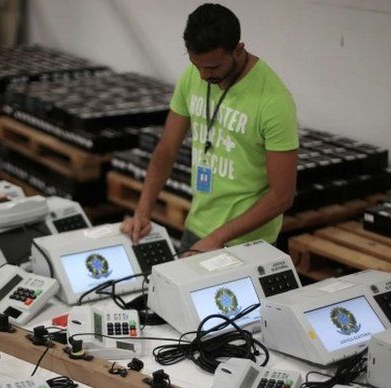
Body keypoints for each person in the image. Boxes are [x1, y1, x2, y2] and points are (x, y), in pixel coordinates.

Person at [121, 3, 299, 255]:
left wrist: (219, 237)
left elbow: (282, 195)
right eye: (197, 66)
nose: (203, 76)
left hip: (248, 244)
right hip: (197, 231)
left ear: (238, 50)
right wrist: (142, 211)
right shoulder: (191, 78)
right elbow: (167, 149)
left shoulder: (274, 102)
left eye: (213, 68)